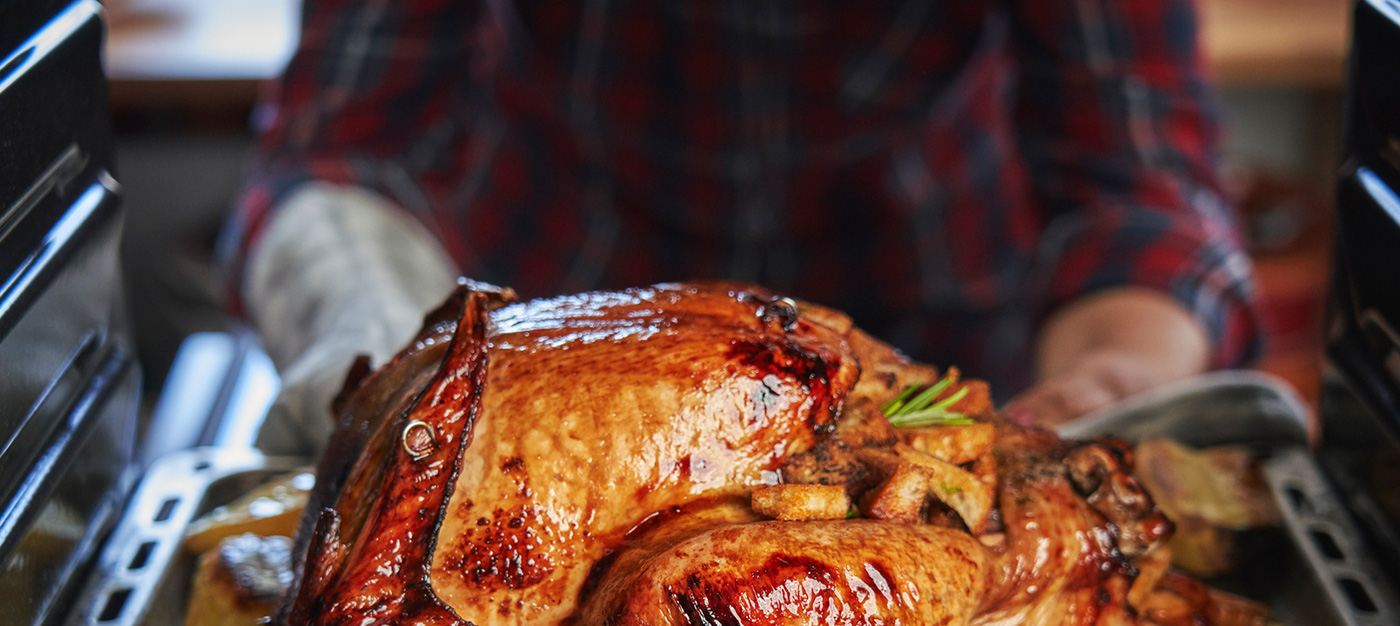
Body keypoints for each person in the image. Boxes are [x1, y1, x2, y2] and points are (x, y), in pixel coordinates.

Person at [221, 1, 1257, 455]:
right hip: (546, 344)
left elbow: (1139, 188)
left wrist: (1115, 376)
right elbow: (337, 156)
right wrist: (388, 365)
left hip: (935, 354)